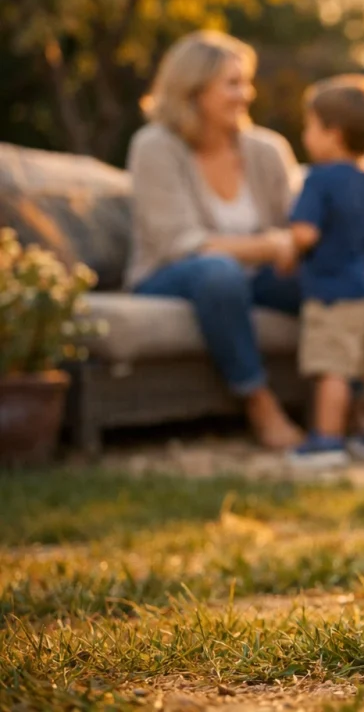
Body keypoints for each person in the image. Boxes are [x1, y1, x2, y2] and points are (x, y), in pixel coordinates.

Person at [126, 31, 304, 450]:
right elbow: (179, 243)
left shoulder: (267, 149)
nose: (247, 94)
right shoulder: (154, 147)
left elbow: (297, 224)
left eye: (247, 82)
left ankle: (346, 396)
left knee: (324, 274)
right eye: (233, 84)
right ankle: (258, 402)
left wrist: (297, 246)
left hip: (254, 276)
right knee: (219, 273)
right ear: (194, 89)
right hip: (172, 275)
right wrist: (270, 246)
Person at [287, 74, 364, 465]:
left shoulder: (319, 179)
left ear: (333, 134)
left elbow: (304, 233)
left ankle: (327, 440)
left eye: (310, 127)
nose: (305, 135)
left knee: (332, 368)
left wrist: (287, 249)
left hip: (334, 292)